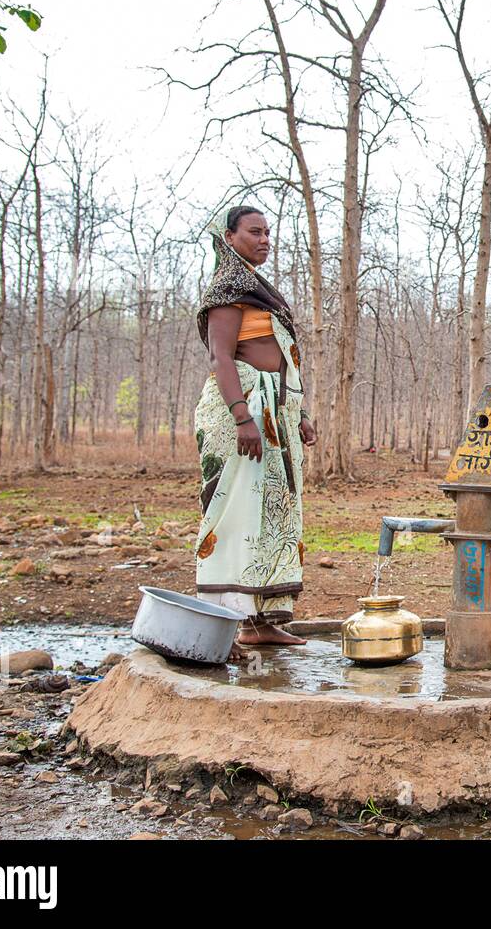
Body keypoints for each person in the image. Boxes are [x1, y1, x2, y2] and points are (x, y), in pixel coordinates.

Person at [193, 205, 317, 660]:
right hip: (239, 415)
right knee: (235, 515)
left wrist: (298, 412)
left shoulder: (257, 288)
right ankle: (223, 625)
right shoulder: (228, 290)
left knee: (273, 515)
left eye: (268, 232)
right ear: (230, 236)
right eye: (254, 232)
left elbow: (282, 354)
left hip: (275, 414)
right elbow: (221, 357)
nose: (264, 239)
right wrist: (243, 417)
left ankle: (262, 624)